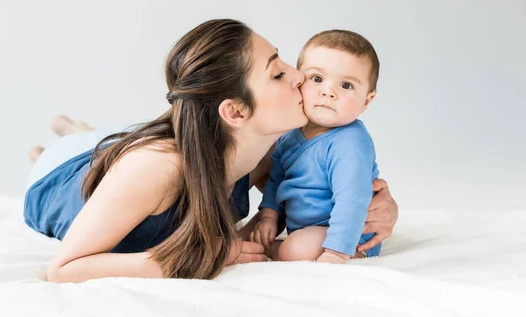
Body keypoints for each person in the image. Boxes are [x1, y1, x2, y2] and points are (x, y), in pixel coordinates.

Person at [24, 19, 398, 282]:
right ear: (235, 111)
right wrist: (207, 254)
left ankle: (86, 132)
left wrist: (382, 208)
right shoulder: (154, 169)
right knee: (71, 151)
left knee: (117, 138)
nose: (300, 77)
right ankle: (61, 143)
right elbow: (63, 269)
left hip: (133, 149)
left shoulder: (271, 147)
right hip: (64, 180)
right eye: (278, 73)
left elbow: (320, 194)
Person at [251, 29, 383, 264]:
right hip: (307, 229)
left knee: (295, 250)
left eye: (345, 85)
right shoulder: (291, 134)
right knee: (290, 243)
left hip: (347, 231)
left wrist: (336, 252)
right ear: (299, 81)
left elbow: (352, 199)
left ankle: (348, 251)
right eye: (317, 79)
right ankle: (280, 248)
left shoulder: (350, 142)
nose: (328, 92)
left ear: (367, 100)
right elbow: (276, 180)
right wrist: (268, 216)